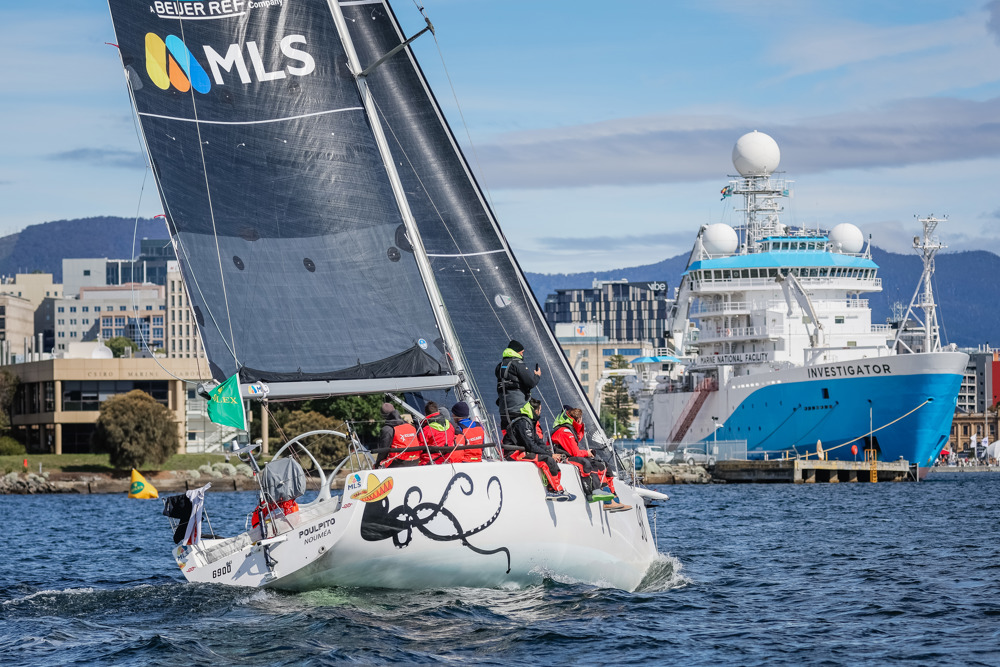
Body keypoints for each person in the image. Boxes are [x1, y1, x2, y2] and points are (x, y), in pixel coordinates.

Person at [504, 398, 574, 501]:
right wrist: (550, 456)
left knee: (549, 458)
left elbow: (538, 441)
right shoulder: (523, 422)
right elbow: (530, 445)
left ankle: (555, 488)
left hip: (521, 451)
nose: (540, 412)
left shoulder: (529, 421)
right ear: (534, 410)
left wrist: (550, 452)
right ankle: (554, 491)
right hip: (513, 453)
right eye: (539, 410)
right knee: (547, 460)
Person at [550, 406, 614, 504]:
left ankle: (603, 493)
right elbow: (575, 453)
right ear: (579, 419)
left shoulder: (568, 429)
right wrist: (587, 453)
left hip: (568, 456)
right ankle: (590, 494)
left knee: (599, 464)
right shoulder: (565, 431)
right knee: (585, 463)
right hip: (563, 458)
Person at [495, 340, 540, 431]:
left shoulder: (499, 366)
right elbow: (530, 383)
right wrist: (537, 376)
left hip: (504, 409)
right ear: (517, 351)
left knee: (509, 438)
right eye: (522, 352)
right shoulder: (518, 364)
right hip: (519, 409)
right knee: (525, 438)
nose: (523, 354)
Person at [375, 402, 420, 468]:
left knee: (381, 467)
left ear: (384, 416)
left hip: (399, 462)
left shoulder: (388, 429)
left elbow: (383, 450)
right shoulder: (411, 426)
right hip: (416, 460)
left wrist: (377, 464)